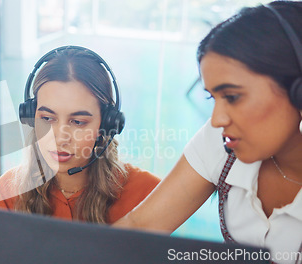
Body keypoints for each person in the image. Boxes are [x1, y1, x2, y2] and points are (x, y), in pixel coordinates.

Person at [114, 2, 302, 263]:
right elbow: (140, 226)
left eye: (233, 96)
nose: (216, 120)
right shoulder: (223, 139)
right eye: (213, 98)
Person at [0, 46, 160, 224]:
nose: (60, 138)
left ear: (106, 124)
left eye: (78, 122)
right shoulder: (8, 192)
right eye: (47, 118)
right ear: (31, 117)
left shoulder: (149, 193)